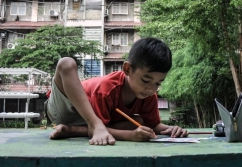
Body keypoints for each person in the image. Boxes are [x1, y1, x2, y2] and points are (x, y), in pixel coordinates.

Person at [46, 37, 188, 145]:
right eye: (146, 80)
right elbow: (96, 129)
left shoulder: (149, 95)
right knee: (66, 63)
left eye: (158, 83)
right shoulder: (106, 90)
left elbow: (153, 125)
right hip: (66, 107)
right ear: (127, 69)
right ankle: (77, 128)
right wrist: (131, 136)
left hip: (90, 123)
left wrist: (172, 129)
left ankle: (71, 130)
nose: (151, 88)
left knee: (140, 122)